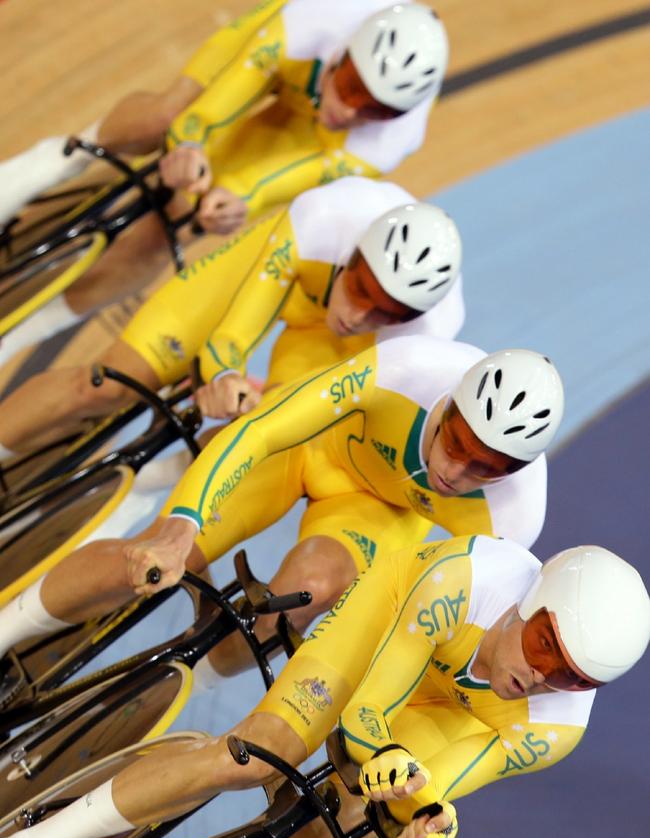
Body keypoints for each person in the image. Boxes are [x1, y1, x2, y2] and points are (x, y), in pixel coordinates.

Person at [1, 535, 647, 838]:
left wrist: (424, 815)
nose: (543, 676)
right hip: (389, 629)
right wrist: (378, 756)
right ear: (531, 603)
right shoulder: (463, 579)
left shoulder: (557, 728)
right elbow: (366, 714)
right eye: (543, 646)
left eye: (572, 676)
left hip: (453, 713)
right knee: (254, 754)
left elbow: (446, 774)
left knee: (353, 818)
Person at [0, 343, 564, 677]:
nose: (452, 471)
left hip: (377, 517)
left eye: (482, 470)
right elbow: (262, 430)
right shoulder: (408, 368)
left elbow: (447, 620)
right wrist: (181, 526)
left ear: (513, 472)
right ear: (447, 403)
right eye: (453, 441)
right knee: (149, 554)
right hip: (313, 449)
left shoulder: (514, 517)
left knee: (258, 633)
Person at [0, 1, 449, 354]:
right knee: (168, 117)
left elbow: (264, 185)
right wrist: (190, 140)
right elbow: (213, 106)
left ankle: (18, 337)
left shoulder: (381, 145)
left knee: (185, 217)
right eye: (352, 86)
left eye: (375, 109)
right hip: (282, 67)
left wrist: (227, 203)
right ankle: (63, 157)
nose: (351, 110)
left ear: (394, 116)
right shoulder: (311, 24)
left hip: (309, 139)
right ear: (342, 56)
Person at [0, 176, 464, 463]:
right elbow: (235, 328)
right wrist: (224, 372)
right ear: (352, 256)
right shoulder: (322, 220)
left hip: (336, 352)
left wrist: (265, 409)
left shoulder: (425, 340)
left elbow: (320, 421)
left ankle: (139, 487)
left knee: (259, 438)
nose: (359, 315)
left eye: (386, 312)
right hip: (281, 276)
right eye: (361, 290)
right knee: (109, 382)